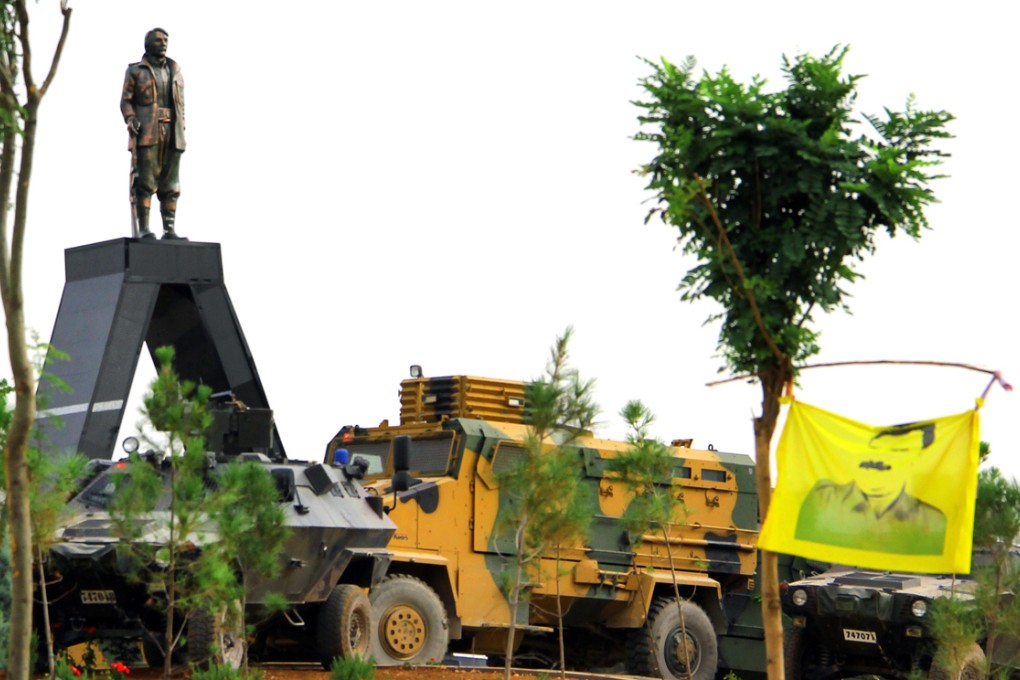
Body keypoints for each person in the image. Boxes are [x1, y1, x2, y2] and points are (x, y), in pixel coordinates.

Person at [794, 423, 947, 555]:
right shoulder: (825, 499)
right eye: (877, 453)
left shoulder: (931, 520)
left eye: (898, 455)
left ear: (914, 462)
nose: (879, 463)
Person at [121, 27, 185, 239]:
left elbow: (180, 104)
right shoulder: (135, 71)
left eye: (166, 40)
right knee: (145, 180)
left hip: (172, 131)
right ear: (148, 44)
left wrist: (181, 127)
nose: (163, 43)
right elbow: (125, 101)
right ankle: (145, 228)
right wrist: (131, 119)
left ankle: (169, 228)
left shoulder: (175, 70)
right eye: (158, 40)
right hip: (148, 131)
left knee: (171, 181)